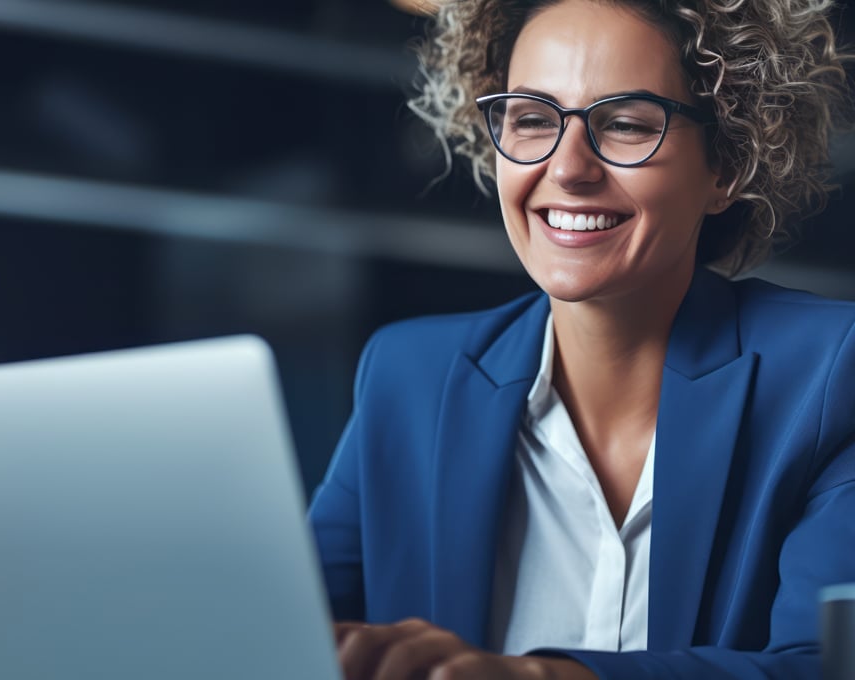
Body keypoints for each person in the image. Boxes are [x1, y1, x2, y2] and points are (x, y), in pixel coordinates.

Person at [308, 0, 855, 677]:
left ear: (727, 166)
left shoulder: (832, 374)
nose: (568, 168)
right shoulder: (407, 375)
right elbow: (279, 626)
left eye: (625, 125)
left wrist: (535, 676)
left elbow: (825, 666)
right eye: (533, 120)